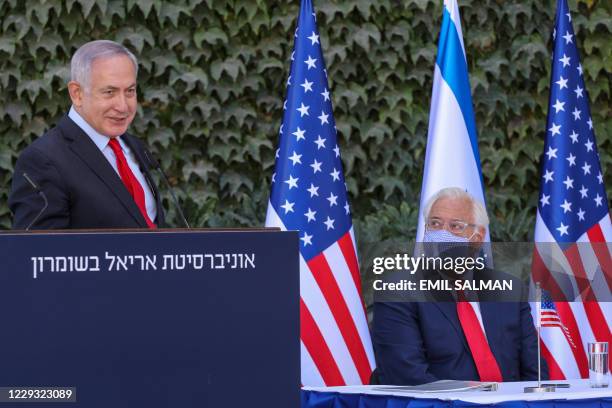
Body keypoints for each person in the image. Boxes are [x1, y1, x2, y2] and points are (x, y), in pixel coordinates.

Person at [372, 187, 547, 385]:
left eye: (455, 226)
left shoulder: (510, 290)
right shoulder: (399, 290)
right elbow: (407, 377)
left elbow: (536, 375)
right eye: (435, 224)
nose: (442, 234)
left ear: (477, 238)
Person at [9, 40, 164, 229]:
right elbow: (39, 253)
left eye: (130, 91)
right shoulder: (43, 161)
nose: (123, 106)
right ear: (77, 93)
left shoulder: (134, 146)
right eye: (109, 92)